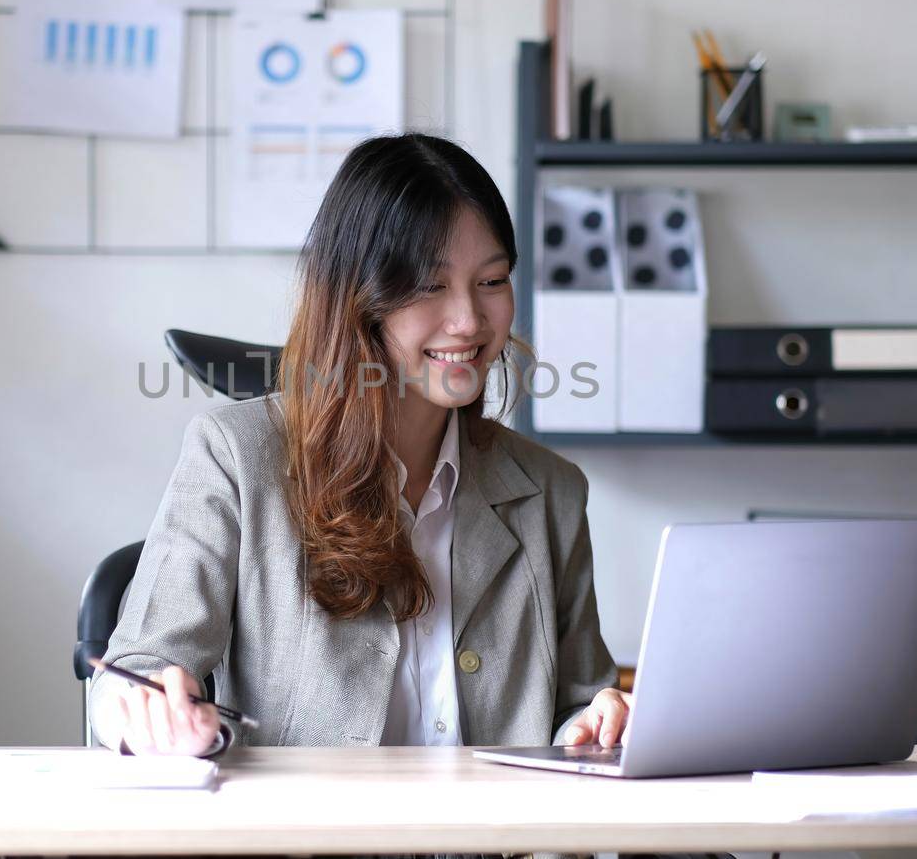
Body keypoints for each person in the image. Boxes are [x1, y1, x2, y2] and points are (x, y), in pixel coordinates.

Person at [93, 132, 630, 758]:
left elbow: (576, 706)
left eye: (492, 281)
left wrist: (596, 725)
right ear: (358, 299)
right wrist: (148, 711)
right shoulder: (235, 458)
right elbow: (135, 671)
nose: (470, 321)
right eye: (430, 286)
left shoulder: (551, 491)